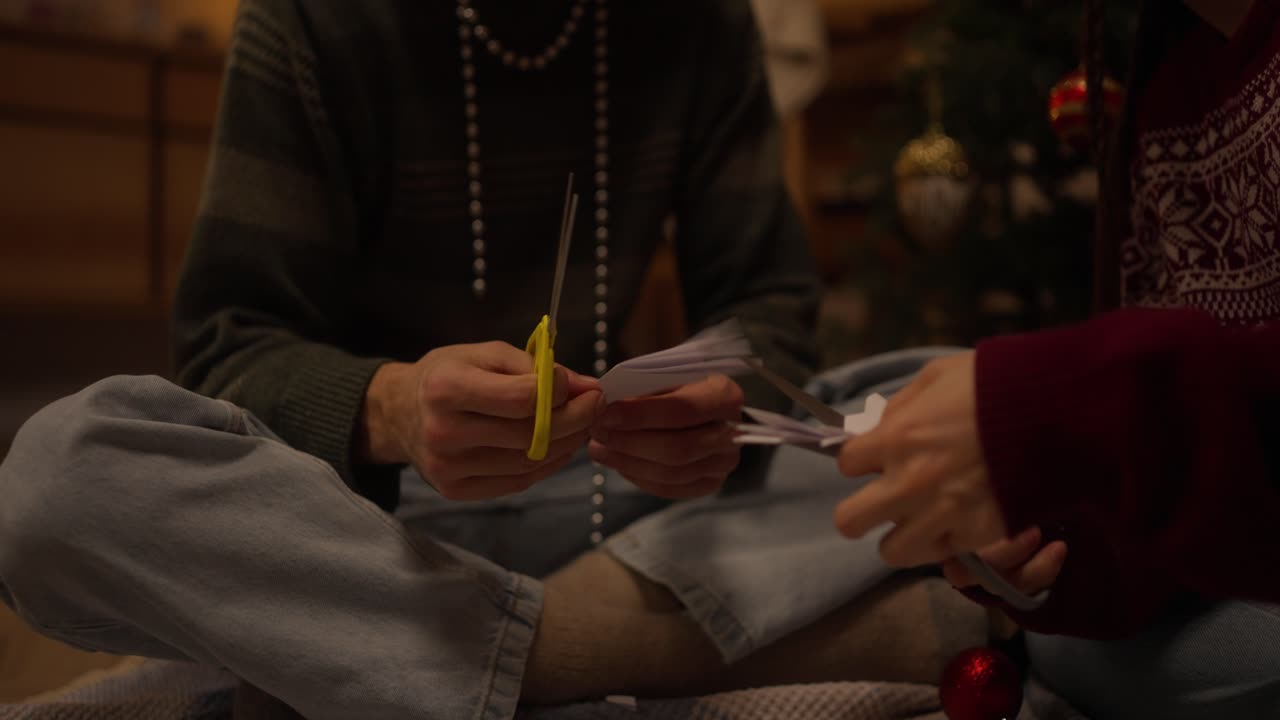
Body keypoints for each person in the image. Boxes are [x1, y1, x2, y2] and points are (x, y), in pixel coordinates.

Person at [0, 1, 990, 718]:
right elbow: (223, 353)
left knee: (938, 398)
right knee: (52, 482)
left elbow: (768, 306)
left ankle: (389, 658)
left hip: (629, 509)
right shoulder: (310, 24)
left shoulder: (699, 24)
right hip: (360, 527)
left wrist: (718, 413)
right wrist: (389, 408)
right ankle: (607, 651)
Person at [831, 1, 1280, 717]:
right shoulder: (1170, 73)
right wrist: (1053, 549)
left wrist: (1062, 409)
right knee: (869, 388)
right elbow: (1211, 497)